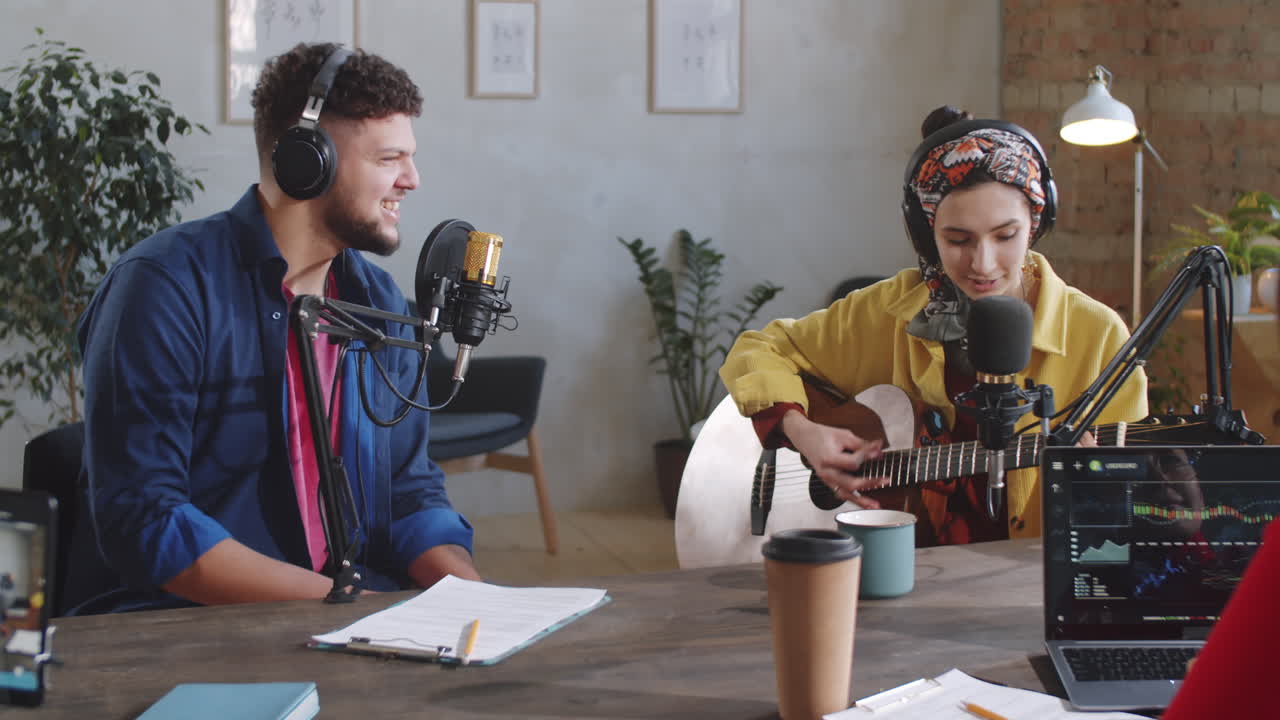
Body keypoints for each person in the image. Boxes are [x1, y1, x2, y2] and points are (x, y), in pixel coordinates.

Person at [71, 42, 480, 614]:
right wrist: (349, 605)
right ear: (307, 160)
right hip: (190, 625)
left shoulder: (379, 302)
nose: (412, 179)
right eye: (389, 159)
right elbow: (146, 519)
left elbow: (407, 488)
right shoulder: (164, 287)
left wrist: (468, 595)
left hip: (351, 613)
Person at [718, 106, 1149, 546]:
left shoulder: (1098, 335)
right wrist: (801, 430)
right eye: (957, 240)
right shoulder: (886, 310)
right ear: (926, 235)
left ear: (1037, 223)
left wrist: (1099, 487)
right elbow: (758, 348)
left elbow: (1130, 515)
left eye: (1005, 236)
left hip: (1024, 580)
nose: (982, 264)